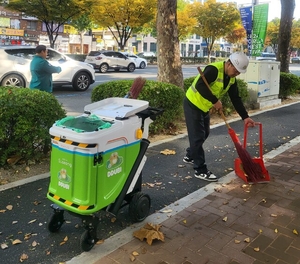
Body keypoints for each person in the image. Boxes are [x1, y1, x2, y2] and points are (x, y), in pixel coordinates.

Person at [183, 52, 256, 182]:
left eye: (239, 72)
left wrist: (245, 117)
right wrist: (214, 100)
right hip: (192, 103)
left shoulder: (231, 78)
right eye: (236, 70)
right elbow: (200, 85)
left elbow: (235, 98)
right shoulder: (214, 70)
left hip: (204, 106)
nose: (237, 74)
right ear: (229, 64)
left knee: (205, 133)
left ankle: (190, 155)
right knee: (198, 137)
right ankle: (200, 170)